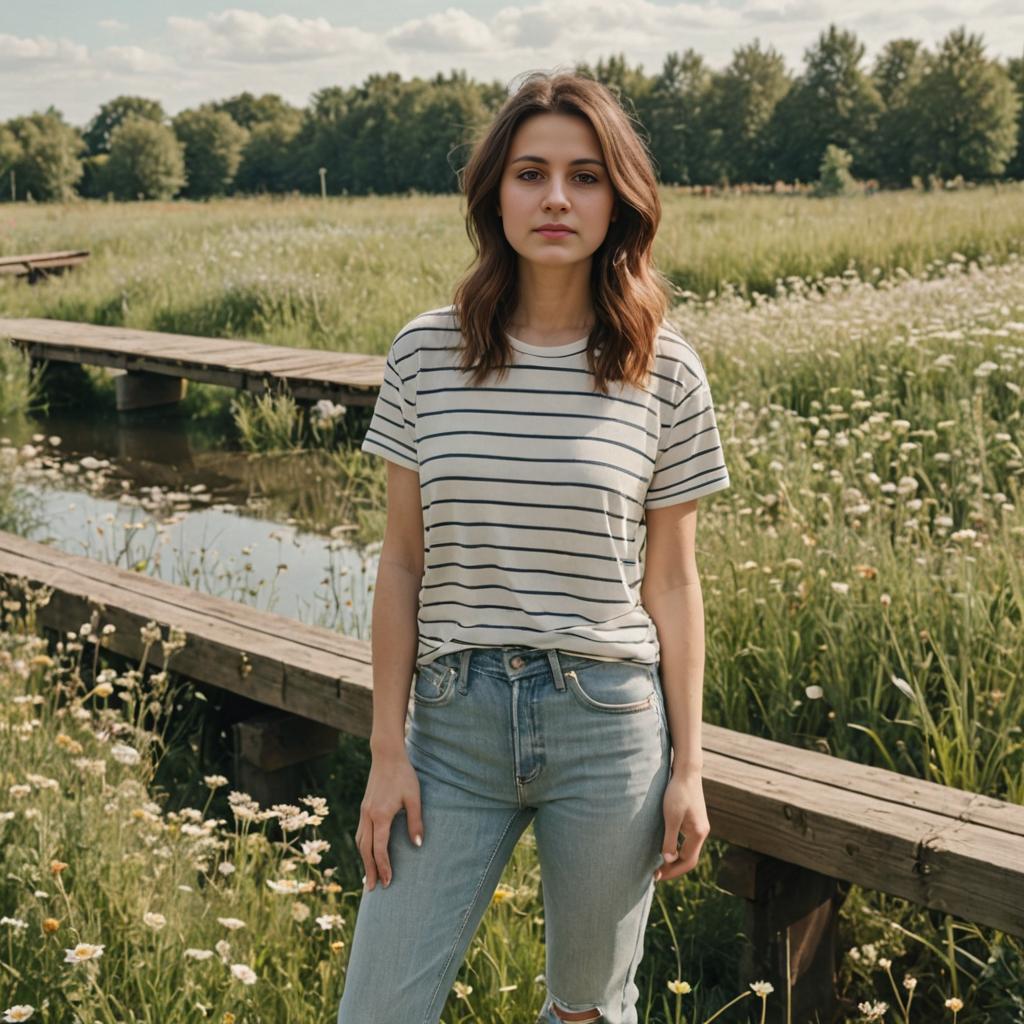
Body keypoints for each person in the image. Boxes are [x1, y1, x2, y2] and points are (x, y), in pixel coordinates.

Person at [337, 68, 731, 1024]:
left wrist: (690, 766)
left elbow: (672, 583)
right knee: (379, 1009)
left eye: (586, 176)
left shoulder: (664, 367)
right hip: (450, 731)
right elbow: (401, 563)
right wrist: (386, 751)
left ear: (620, 200)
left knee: (587, 1010)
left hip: (609, 727)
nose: (556, 198)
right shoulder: (425, 353)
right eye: (530, 173)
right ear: (494, 194)